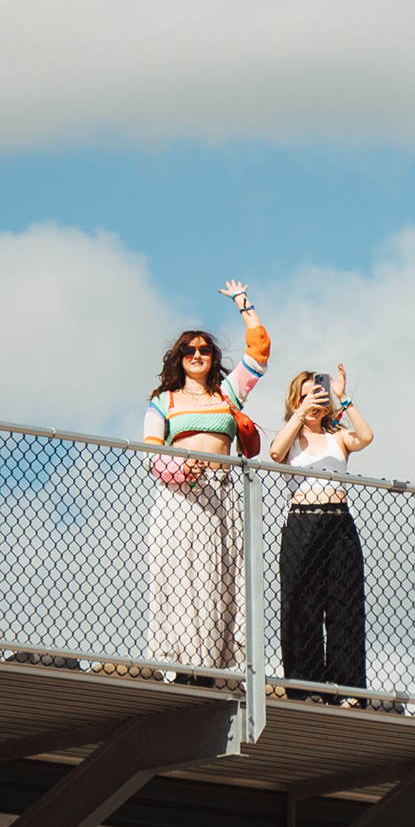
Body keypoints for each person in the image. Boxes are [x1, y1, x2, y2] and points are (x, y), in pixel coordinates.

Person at [144, 280, 270, 683]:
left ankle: (209, 667)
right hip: (179, 496)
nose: (197, 355)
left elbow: (259, 351)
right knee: (180, 576)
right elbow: (151, 452)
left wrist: (243, 303)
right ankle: (180, 666)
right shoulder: (163, 401)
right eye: (188, 350)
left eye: (204, 350)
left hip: (221, 494)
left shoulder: (228, 393)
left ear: (213, 357)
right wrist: (182, 470)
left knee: (218, 578)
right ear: (178, 359)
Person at [269, 365, 373, 703]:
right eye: (306, 396)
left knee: (345, 603)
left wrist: (343, 399)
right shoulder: (290, 437)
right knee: (302, 604)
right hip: (302, 522)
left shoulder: (337, 436)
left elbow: (366, 437)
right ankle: (305, 686)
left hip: (339, 523)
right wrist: (300, 413)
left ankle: (347, 688)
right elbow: (275, 452)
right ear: (295, 400)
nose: (313, 402)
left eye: (318, 395)